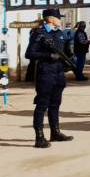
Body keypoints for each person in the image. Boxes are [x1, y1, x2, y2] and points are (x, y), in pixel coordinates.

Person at [25, 8, 74, 148]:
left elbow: (64, 51)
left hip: (59, 73)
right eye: (59, 17)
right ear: (51, 18)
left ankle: (55, 132)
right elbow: (29, 53)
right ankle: (39, 137)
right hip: (45, 73)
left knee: (55, 104)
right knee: (42, 105)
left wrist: (68, 59)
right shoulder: (39, 34)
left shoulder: (59, 33)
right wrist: (48, 56)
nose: (61, 20)